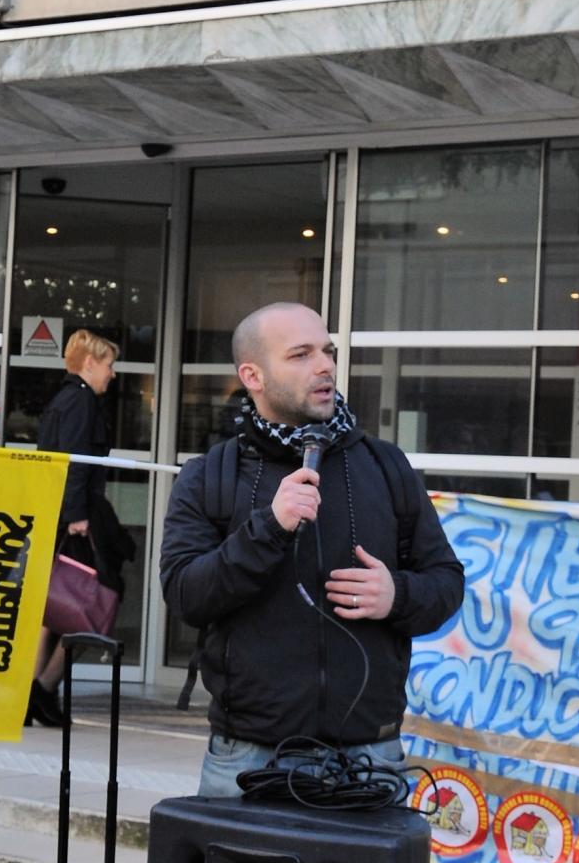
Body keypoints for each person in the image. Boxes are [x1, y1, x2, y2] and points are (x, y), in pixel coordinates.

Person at [160, 301, 464, 796]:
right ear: (253, 375)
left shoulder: (385, 467)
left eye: (327, 350)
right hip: (248, 759)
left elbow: (447, 581)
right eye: (300, 354)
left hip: (371, 758)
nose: (324, 365)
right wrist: (270, 528)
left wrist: (397, 595)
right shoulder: (210, 476)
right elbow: (185, 596)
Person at [29, 329, 134, 726]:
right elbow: (72, 460)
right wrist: (76, 516)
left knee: (60, 601)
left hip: (65, 512)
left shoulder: (65, 398)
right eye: (109, 365)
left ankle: (34, 692)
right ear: (90, 363)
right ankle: (43, 689)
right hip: (76, 515)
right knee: (98, 597)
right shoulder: (81, 401)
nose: (113, 374)